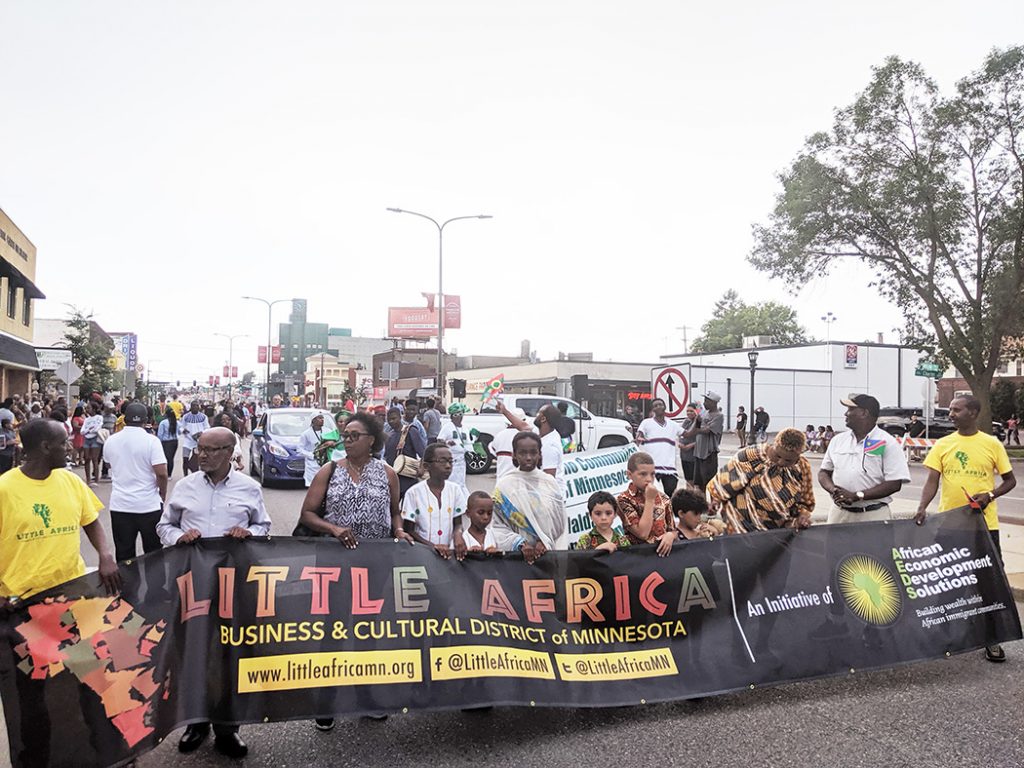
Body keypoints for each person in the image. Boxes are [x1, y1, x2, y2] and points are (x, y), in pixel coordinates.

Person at [0, 418, 121, 768]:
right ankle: (35, 757)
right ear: (43, 448)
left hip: (71, 601)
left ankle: (108, 750)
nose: (70, 446)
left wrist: (105, 555)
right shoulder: (5, 489)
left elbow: (91, 521)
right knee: (32, 694)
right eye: (63, 442)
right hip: (24, 611)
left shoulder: (69, 480)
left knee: (94, 680)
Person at [296, 412, 413, 731]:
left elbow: (395, 514)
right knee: (333, 632)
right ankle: (327, 700)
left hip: (374, 564)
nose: (346, 440)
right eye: (344, 435)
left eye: (353, 435)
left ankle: (366, 696)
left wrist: (399, 531)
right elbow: (307, 513)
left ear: (371, 441)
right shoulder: (329, 470)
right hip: (335, 563)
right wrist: (333, 528)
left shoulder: (388, 473)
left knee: (367, 632)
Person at [157, 426, 268, 759]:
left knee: (228, 655)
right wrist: (179, 536)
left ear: (230, 452)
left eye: (209, 449)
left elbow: (264, 527)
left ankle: (227, 728)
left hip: (233, 587)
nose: (200, 455)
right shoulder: (185, 487)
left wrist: (248, 532)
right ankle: (195, 722)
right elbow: (164, 525)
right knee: (193, 652)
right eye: (199, 448)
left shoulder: (250, 488)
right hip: (192, 587)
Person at [914, 394, 1016, 664]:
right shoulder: (943, 445)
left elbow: (1010, 481)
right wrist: (922, 506)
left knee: (989, 583)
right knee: (947, 582)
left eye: (956, 410)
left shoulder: (992, 444)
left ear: (973, 412)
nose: (950, 414)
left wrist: (990, 496)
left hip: (984, 526)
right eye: (950, 410)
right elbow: (931, 481)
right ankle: (941, 635)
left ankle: (992, 639)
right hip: (950, 525)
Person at [818, 394, 911, 524]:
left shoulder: (887, 442)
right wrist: (834, 490)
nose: (846, 414)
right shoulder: (837, 441)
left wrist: (858, 496)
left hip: (873, 516)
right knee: (834, 545)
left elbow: (894, 483)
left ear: (864, 413)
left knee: (873, 546)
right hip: (839, 514)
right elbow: (824, 472)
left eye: (850, 410)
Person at [708, 428, 815, 534]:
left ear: (798, 456)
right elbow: (722, 483)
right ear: (774, 445)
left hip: (778, 531)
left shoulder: (802, 467)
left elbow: (806, 500)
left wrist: (802, 516)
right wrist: (715, 502)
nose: (781, 462)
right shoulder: (751, 456)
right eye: (777, 456)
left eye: (788, 460)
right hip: (740, 525)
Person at [100, 402, 169, 562]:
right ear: (146, 419)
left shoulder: (111, 441)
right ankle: (155, 586)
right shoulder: (152, 441)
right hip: (148, 506)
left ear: (124, 418)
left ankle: (127, 586)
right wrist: (162, 494)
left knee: (124, 554)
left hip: (120, 506)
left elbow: (109, 464)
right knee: (154, 553)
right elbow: (162, 473)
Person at [491, 432, 567, 561]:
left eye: (533, 452)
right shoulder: (504, 486)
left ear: (540, 454)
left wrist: (544, 541)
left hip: (547, 555)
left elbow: (559, 522)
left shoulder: (549, 483)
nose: (528, 457)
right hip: (516, 558)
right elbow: (498, 526)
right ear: (514, 455)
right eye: (522, 453)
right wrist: (519, 543)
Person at [401, 443, 468, 560]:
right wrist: (432, 547)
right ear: (427, 466)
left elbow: (458, 523)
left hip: (449, 553)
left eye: (450, 461)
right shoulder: (414, 493)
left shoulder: (455, 490)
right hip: (422, 554)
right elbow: (409, 530)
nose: (448, 466)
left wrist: (458, 534)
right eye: (442, 461)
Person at [615, 451, 678, 555]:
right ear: (629, 474)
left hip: (663, 555)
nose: (649, 479)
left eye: (652, 474)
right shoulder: (624, 500)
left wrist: (670, 535)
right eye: (643, 474)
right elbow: (643, 533)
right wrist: (650, 500)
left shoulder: (664, 498)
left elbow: (673, 530)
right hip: (639, 557)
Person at [635, 397, 683, 497]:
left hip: (669, 468)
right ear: (653, 409)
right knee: (650, 494)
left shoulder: (673, 424)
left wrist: (698, 422)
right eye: (655, 406)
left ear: (664, 407)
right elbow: (639, 435)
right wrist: (639, 439)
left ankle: (667, 512)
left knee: (670, 494)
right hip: (652, 467)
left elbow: (687, 434)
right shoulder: (646, 422)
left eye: (660, 404)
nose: (658, 407)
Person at [384, 405, 427, 500]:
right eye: (389, 419)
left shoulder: (411, 431)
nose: (391, 421)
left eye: (394, 418)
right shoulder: (389, 436)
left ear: (400, 417)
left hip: (408, 478)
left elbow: (423, 451)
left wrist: (422, 467)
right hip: (394, 480)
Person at [438, 403, 472, 487]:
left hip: (462, 461)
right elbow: (439, 441)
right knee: (451, 484)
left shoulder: (465, 428)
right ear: (452, 416)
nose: (459, 417)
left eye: (461, 414)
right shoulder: (447, 427)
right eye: (456, 414)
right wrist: (446, 444)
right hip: (452, 461)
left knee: (461, 484)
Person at [490, 403, 527, 479]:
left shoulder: (499, 435)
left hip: (501, 480)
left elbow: (493, 451)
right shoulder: (527, 436)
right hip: (519, 481)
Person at [297, 413, 333, 487]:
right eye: (319, 418)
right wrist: (312, 455)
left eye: (322, 418)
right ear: (313, 420)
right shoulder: (306, 434)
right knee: (313, 487)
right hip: (312, 466)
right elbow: (299, 450)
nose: (322, 420)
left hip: (326, 463)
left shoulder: (329, 432)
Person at [179, 400, 210, 476]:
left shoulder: (203, 417)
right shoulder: (186, 417)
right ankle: (185, 476)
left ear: (199, 407)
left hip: (198, 442)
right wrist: (183, 430)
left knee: (196, 461)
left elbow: (207, 428)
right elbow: (181, 427)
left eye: (196, 405)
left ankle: (197, 475)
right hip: (187, 441)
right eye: (193, 406)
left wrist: (201, 433)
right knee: (185, 460)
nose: (195, 407)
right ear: (191, 407)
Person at [80, 402, 104, 485]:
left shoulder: (99, 418)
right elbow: (82, 431)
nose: (87, 410)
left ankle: (96, 479)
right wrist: (88, 430)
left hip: (95, 439)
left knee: (95, 459)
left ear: (94, 409)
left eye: (89, 408)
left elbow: (97, 428)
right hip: (87, 439)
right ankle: (88, 479)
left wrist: (88, 430)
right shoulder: (87, 419)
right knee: (87, 459)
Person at [678, 403, 698, 488]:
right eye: (687, 411)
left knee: (694, 480)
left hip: (693, 455)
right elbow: (680, 433)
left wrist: (691, 445)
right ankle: (688, 497)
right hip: (684, 455)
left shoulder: (699, 423)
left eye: (691, 411)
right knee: (687, 479)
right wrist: (679, 443)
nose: (689, 413)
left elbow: (702, 439)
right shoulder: (686, 421)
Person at [156, 407, 179, 477]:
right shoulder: (176, 422)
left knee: (165, 458)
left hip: (166, 442)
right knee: (171, 458)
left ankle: (165, 473)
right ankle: (169, 474)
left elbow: (160, 434)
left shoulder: (163, 423)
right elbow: (180, 431)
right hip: (175, 441)